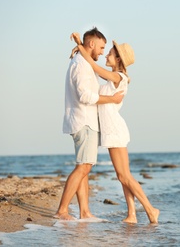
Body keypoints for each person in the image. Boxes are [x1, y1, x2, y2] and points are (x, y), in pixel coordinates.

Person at [70, 32, 160, 224]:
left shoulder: (119, 76)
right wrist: (81, 44)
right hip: (112, 131)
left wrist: (81, 47)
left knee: (124, 175)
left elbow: (93, 66)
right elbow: (93, 67)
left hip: (114, 130)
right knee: (123, 176)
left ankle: (151, 210)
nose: (106, 55)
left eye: (109, 53)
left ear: (118, 58)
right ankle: (132, 215)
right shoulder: (114, 78)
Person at [55, 27, 124, 221]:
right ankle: (62, 211)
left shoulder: (83, 62)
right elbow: (86, 96)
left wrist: (78, 44)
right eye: (101, 47)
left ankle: (84, 212)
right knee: (83, 167)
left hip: (86, 121)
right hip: (83, 120)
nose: (103, 52)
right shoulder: (81, 65)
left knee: (84, 166)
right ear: (91, 44)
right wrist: (112, 100)